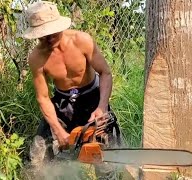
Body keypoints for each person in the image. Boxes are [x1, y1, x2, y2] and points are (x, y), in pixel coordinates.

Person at [22, 1, 121, 179]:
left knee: (106, 160)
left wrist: (102, 107)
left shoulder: (82, 40)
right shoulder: (36, 58)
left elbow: (105, 72)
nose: (49, 38)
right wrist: (58, 131)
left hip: (92, 98)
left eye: (52, 33)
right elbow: (43, 98)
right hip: (62, 104)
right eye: (43, 35)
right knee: (37, 155)